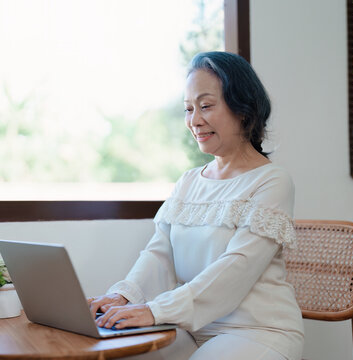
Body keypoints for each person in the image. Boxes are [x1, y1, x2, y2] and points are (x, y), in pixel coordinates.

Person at [88, 51, 304, 360]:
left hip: (258, 332)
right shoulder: (189, 181)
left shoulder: (272, 181)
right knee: (113, 353)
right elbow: (159, 254)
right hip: (189, 327)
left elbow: (235, 269)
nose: (194, 120)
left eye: (205, 106)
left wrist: (154, 310)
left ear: (243, 109)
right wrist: (122, 296)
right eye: (189, 109)